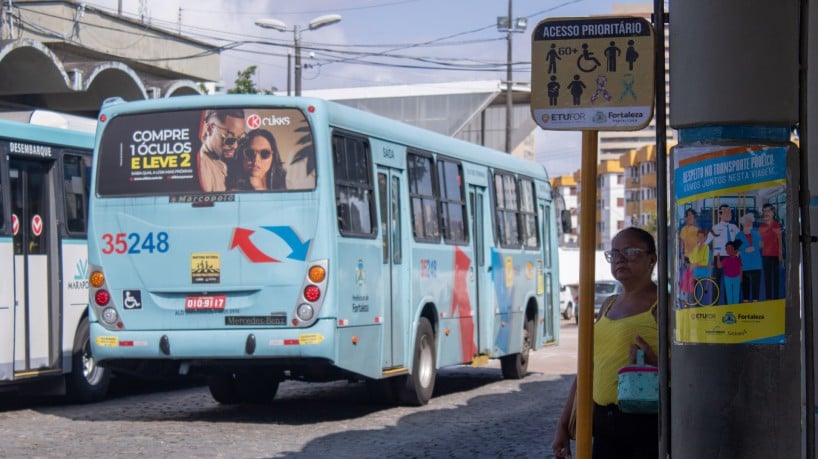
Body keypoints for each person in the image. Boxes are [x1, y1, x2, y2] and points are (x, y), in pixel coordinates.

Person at [552, 227, 659, 458]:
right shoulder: (608, 305)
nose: (620, 259)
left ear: (652, 258)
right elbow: (587, 370)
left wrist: (656, 363)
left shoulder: (663, 305)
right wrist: (563, 423)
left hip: (645, 422)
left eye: (630, 252)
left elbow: (689, 372)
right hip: (603, 422)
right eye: (614, 254)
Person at [197, 108, 246, 192]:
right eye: (230, 139)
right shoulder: (202, 165)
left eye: (240, 139)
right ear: (210, 129)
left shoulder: (221, 163)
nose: (235, 146)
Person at [705, 204, 739, 303]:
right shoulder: (715, 228)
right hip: (719, 258)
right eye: (725, 211)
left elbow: (740, 240)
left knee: (729, 284)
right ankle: (714, 305)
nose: (728, 213)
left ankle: (729, 305)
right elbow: (706, 241)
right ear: (719, 215)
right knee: (716, 282)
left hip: (732, 258)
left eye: (729, 211)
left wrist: (738, 252)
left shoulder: (734, 227)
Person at [735, 212, 762, 302]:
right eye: (747, 221)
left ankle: (755, 301)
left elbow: (761, 244)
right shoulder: (738, 235)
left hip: (756, 264)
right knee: (745, 285)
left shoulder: (757, 234)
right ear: (743, 223)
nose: (749, 223)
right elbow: (736, 247)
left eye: (750, 221)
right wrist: (744, 249)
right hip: (744, 265)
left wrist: (755, 247)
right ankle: (745, 301)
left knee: (756, 286)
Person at [759, 203, 783, 300]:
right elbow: (760, 242)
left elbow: (780, 239)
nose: (766, 213)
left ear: (773, 213)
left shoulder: (776, 225)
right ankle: (769, 299)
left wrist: (780, 253)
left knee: (775, 278)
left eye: (768, 211)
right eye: (765, 211)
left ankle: (776, 298)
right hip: (765, 255)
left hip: (775, 255)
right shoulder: (761, 227)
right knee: (767, 278)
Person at [717, 240, 743, 305]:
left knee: (736, 294)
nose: (729, 250)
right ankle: (730, 307)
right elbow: (719, 266)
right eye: (727, 249)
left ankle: (735, 307)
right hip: (727, 278)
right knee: (729, 294)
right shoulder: (726, 260)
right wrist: (718, 258)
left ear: (735, 249)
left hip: (736, 278)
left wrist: (740, 278)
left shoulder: (738, 260)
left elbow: (740, 268)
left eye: (730, 248)